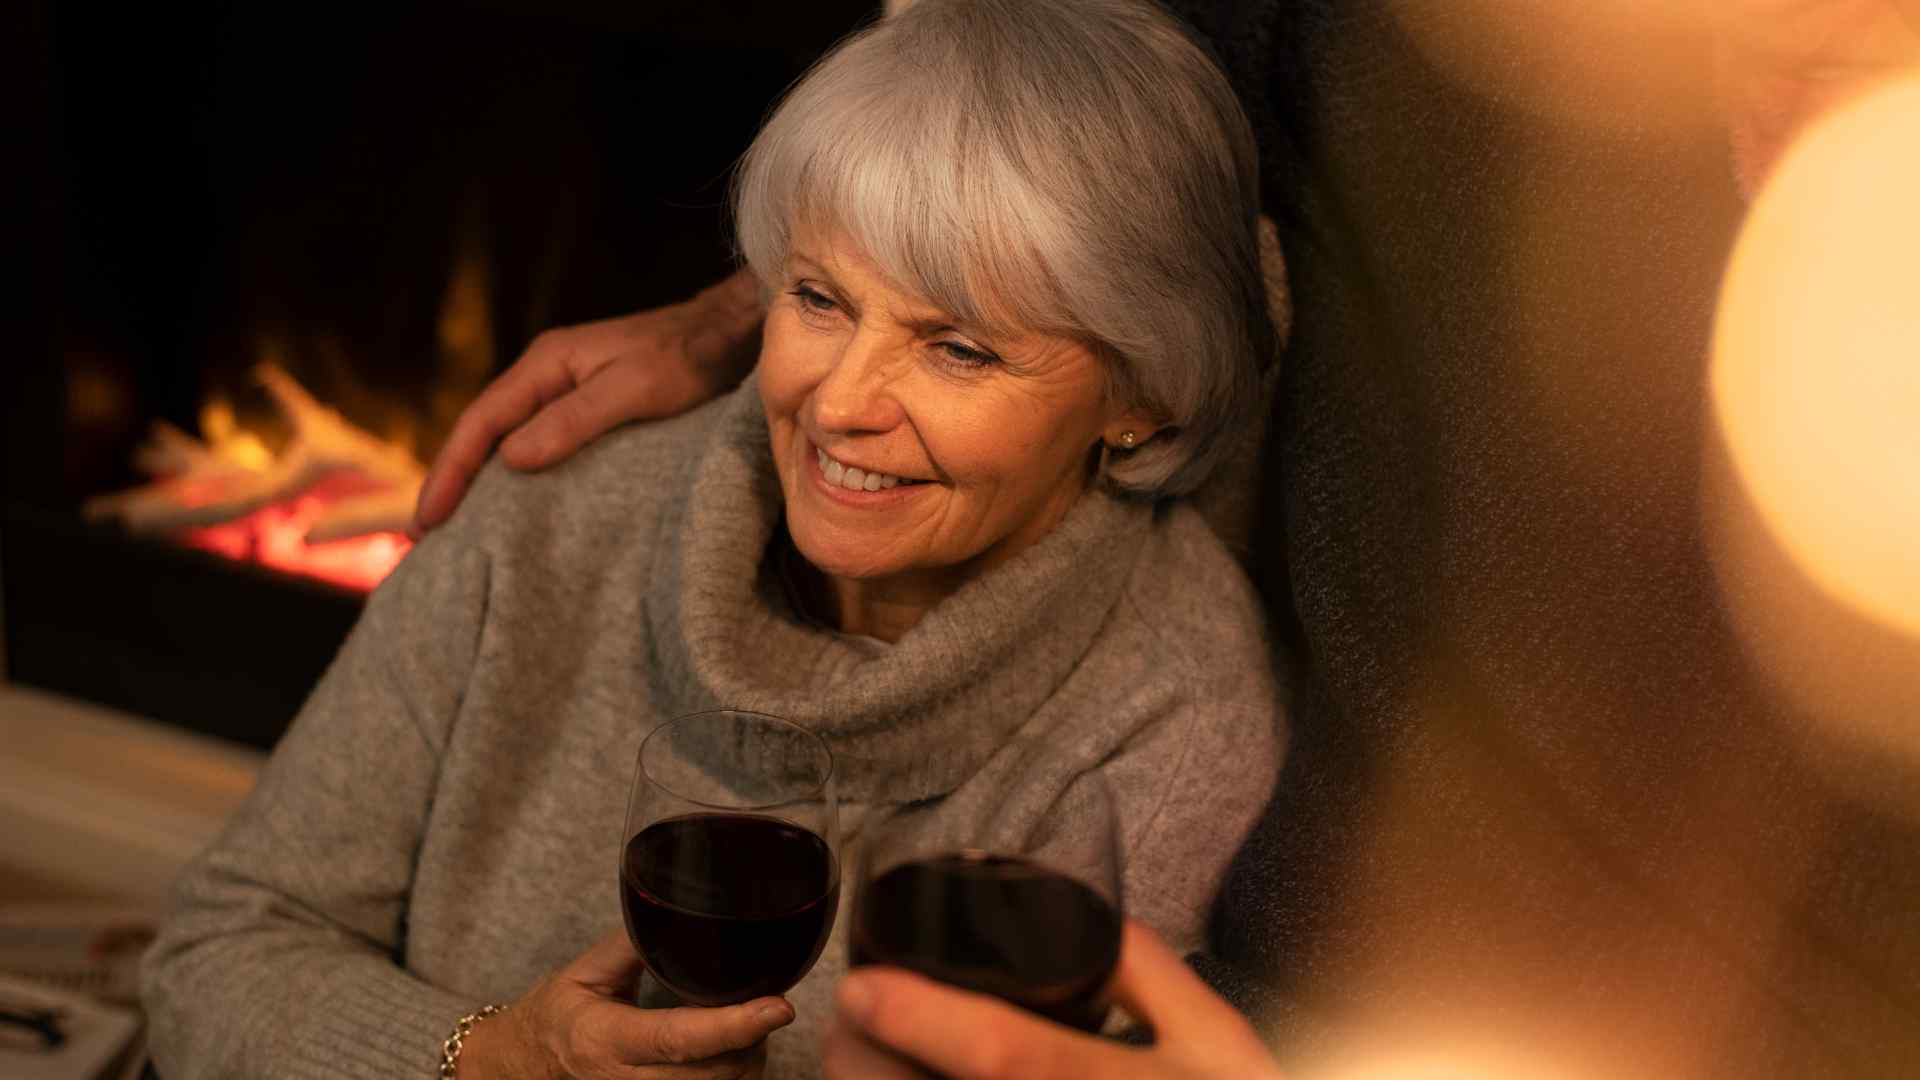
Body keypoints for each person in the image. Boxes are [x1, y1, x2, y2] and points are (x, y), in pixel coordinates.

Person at [416, 1, 1920, 1076]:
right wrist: (762, 309)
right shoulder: (1476, 57)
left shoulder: (1164, 704)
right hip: (1279, 976)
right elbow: (1076, 105)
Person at [140, 1, 1285, 1077]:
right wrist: (494, 1057)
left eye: (961, 350)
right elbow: (212, 958)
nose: (838, 403)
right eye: (820, 299)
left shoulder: (1173, 715)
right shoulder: (567, 503)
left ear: (1144, 396)